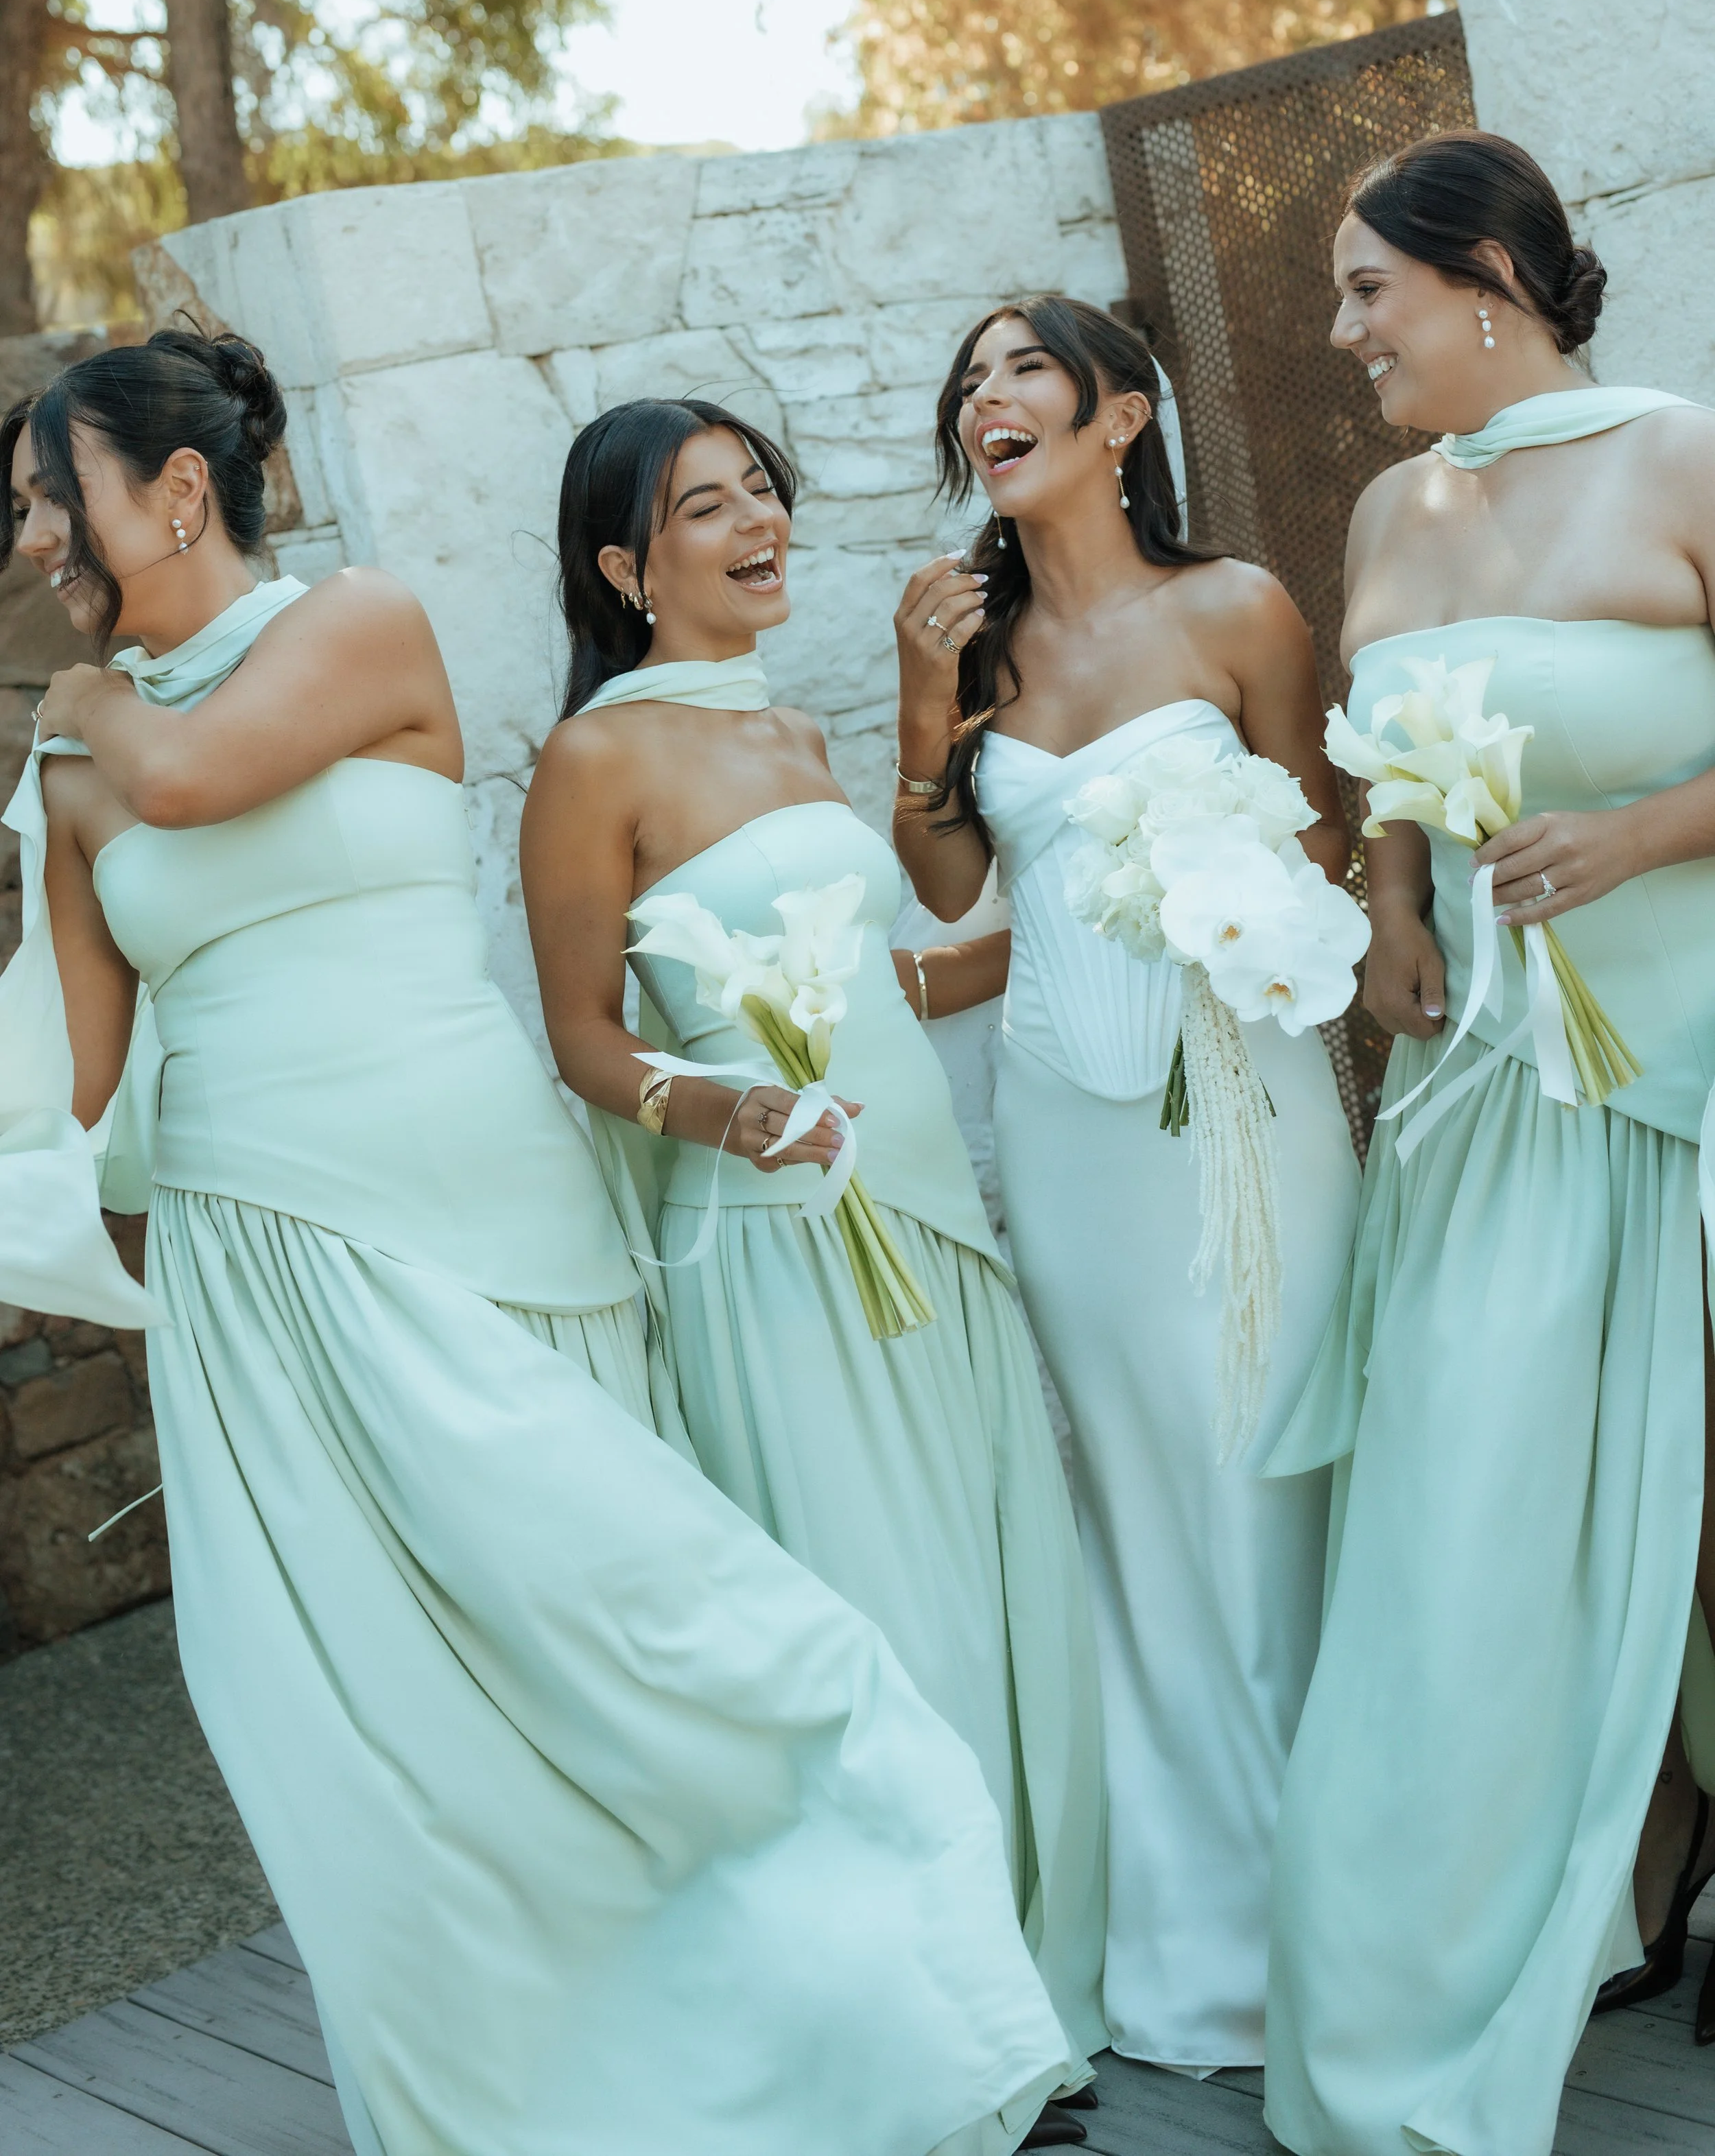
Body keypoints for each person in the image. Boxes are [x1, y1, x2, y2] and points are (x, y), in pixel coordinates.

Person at [1, 330, 1077, 2156]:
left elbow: (190, 776)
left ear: (174, 488)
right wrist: (128, 1190)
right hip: (262, 1270)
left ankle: (909, 2003)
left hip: (475, 1220)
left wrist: (80, 706)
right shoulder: (78, 772)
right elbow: (88, 1072)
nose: (28, 537)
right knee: (374, 1730)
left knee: (657, 1635)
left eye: (47, 495)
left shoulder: (345, 626)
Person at [519, 396, 1109, 2149]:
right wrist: (729, 1115)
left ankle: (1024, 2003)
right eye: (708, 507)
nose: (757, 519)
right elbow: (580, 1040)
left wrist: (1067, 919)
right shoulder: (594, 763)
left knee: (991, 1603)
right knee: (879, 1626)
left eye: (761, 489)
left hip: (927, 1221)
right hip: (777, 1260)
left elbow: (872, 982)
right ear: (627, 568)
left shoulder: (795, 729)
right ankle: (926, 2042)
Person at [1264, 129, 1715, 2156]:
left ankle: (1672, 1823)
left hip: (1684, 1050)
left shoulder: (1678, 453)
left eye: (1367, 287)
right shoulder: (1384, 505)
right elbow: (1384, 760)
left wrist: (1638, 829)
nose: (1341, 326)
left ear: (1488, 277)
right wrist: (1380, 904)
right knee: (1467, 1479)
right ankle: (1510, 1875)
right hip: (1478, 1082)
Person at [890, 294, 1361, 2076]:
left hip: (1243, 1109)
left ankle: (1343, 1907)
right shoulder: (977, 647)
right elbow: (939, 877)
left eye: (1024, 366)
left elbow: (1328, 856)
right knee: (1143, 1505)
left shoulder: (1235, 607)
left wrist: (1228, 889)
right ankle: (1195, 1937)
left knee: (1266, 1465)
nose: (985, 394)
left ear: (1120, 415)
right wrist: (926, 692)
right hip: (1069, 1132)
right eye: (972, 377)